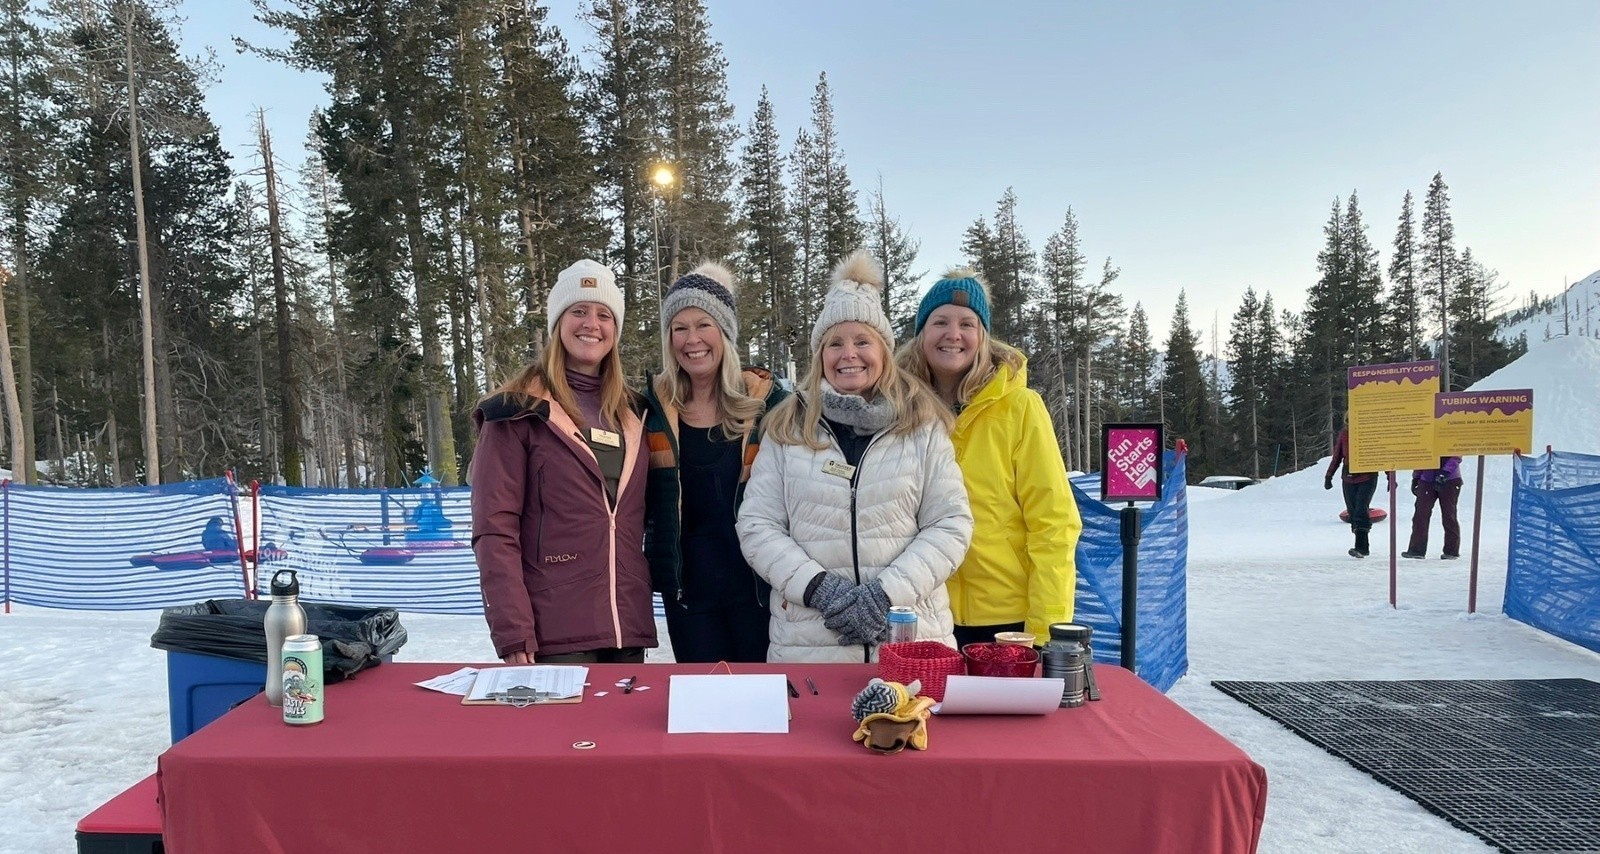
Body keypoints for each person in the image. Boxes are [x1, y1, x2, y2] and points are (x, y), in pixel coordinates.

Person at [736, 249, 973, 663]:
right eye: (835, 343)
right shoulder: (787, 428)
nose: (849, 354)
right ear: (820, 355)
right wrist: (820, 589)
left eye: (862, 341)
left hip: (909, 643)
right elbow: (757, 526)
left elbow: (950, 525)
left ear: (883, 351)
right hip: (809, 647)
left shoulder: (922, 425)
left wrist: (885, 595)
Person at [469, 259, 656, 664]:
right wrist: (512, 630)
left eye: (604, 314)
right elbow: (494, 528)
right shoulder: (515, 412)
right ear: (558, 323)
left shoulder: (636, 415)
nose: (592, 324)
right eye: (579, 311)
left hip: (626, 629)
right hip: (553, 633)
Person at [895, 268, 1081, 649]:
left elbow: (1053, 525)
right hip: (925, 613)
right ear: (921, 334)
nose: (953, 334)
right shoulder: (900, 412)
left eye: (967, 324)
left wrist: (1045, 630)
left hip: (1007, 622)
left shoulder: (1021, 409)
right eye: (940, 322)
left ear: (983, 336)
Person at [643, 262, 789, 663]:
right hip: (689, 598)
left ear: (725, 331)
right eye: (679, 328)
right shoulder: (653, 409)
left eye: (703, 324)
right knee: (703, 698)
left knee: (763, 698)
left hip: (758, 591)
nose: (692, 340)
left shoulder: (768, 405)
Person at [1325, 419, 1380, 558]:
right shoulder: (1344, 434)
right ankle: (1362, 546)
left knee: (1361, 509)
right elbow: (1337, 456)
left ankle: (1361, 547)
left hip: (1367, 476)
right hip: (1348, 477)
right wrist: (1329, 475)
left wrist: (1389, 476)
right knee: (1352, 511)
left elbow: (1381, 454)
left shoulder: (1370, 433)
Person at [1403, 456, 1464, 560]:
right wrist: (1416, 477)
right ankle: (1416, 550)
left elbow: (1456, 454)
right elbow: (1420, 455)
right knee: (1420, 514)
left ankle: (1451, 551)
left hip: (1449, 479)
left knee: (1449, 514)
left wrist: (1445, 472)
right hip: (1426, 479)